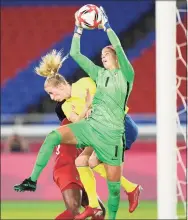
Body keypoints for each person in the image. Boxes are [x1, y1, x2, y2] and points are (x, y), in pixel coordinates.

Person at [14, 7, 135, 220]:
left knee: (100, 171)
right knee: (85, 162)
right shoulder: (68, 105)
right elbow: (78, 120)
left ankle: (128, 191)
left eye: (52, 93)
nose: (52, 98)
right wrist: (78, 29)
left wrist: (106, 27)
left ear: (61, 85)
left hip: (121, 125)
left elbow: (112, 89)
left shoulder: (92, 81)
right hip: (100, 129)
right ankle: (102, 202)